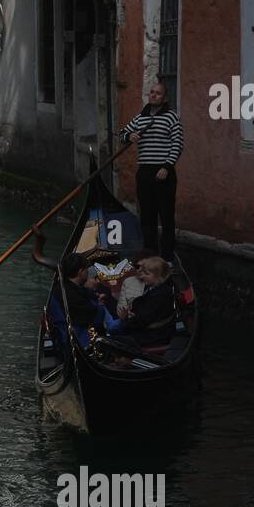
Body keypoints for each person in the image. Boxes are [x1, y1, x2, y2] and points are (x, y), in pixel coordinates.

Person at [120, 81, 183, 261]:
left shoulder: (172, 117)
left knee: (166, 216)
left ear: (165, 98)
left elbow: (178, 144)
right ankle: (150, 254)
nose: (154, 95)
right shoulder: (141, 118)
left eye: (158, 93)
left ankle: (167, 257)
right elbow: (122, 134)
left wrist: (167, 166)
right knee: (147, 215)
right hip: (145, 172)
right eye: (152, 92)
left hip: (164, 172)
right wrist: (129, 136)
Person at [102, 256, 178, 348]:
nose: (142, 276)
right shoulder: (156, 289)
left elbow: (142, 319)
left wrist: (125, 319)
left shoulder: (160, 294)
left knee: (107, 343)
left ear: (158, 275)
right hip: (151, 333)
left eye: (147, 274)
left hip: (154, 337)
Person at [59, 253, 114, 331]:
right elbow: (96, 319)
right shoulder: (74, 296)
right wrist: (100, 304)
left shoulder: (61, 288)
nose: (88, 272)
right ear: (80, 271)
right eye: (86, 269)